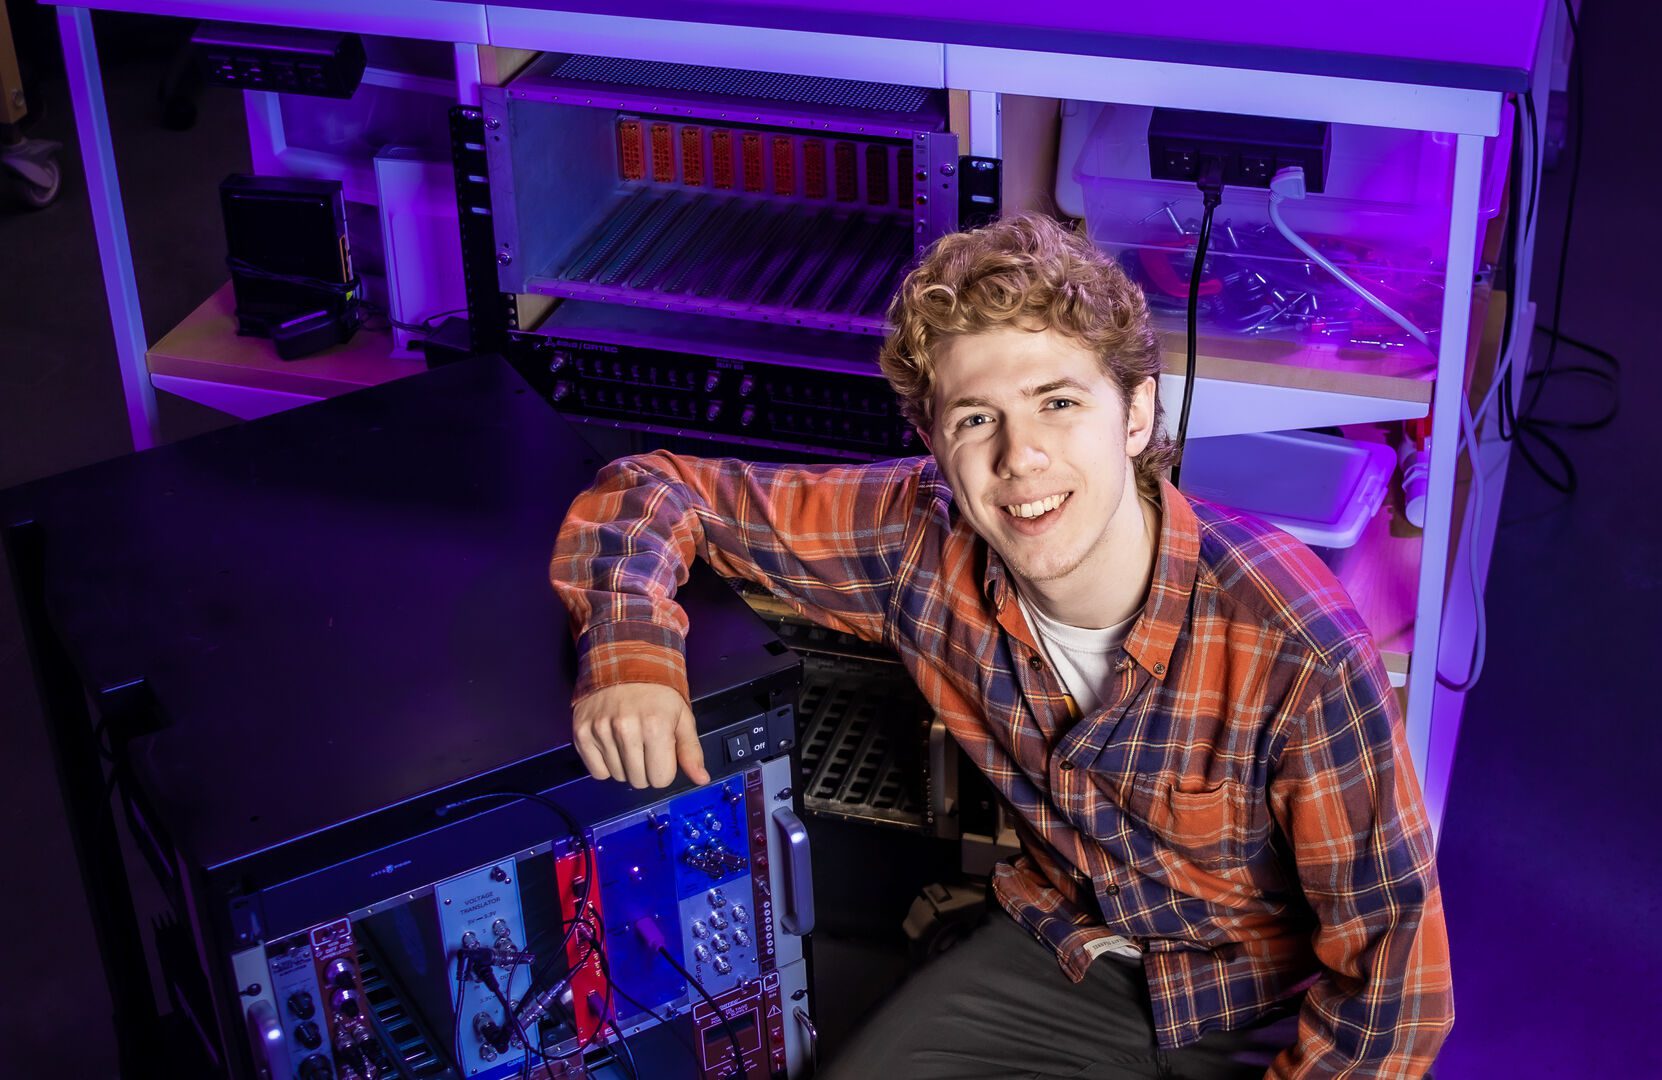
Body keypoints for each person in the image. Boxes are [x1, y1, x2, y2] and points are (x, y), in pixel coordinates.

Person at [551, 212, 1452, 1078]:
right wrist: (630, 645)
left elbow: (1395, 986)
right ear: (936, 444)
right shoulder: (918, 543)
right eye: (976, 419)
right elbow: (655, 489)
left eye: (1057, 402)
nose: (1019, 457)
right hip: (1070, 955)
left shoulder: (1296, 644)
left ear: (1135, 415)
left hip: (1260, 1000)